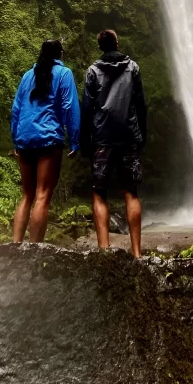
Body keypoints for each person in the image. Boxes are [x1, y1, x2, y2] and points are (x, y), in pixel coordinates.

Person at [81, 30, 147, 257]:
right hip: (129, 136)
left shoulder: (92, 71)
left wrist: (84, 142)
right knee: (131, 192)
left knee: (99, 192)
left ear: (100, 47)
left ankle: (104, 251)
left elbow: (87, 110)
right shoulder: (133, 68)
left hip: (102, 139)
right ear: (117, 43)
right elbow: (141, 105)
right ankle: (137, 253)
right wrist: (142, 136)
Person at [11, 39, 80, 242]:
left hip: (24, 138)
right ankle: (34, 249)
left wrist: (16, 139)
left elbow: (16, 109)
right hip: (48, 140)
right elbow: (69, 107)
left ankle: (15, 245)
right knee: (42, 195)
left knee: (27, 195)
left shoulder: (27, 76)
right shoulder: (64, 74)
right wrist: (75, 140)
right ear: (60, 54)